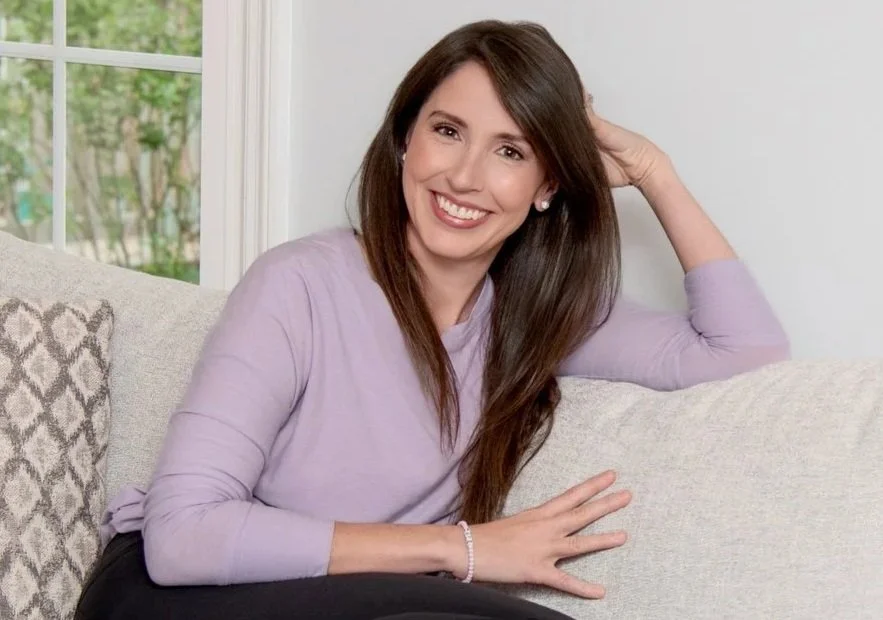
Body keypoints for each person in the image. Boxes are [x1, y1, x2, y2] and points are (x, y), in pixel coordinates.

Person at [75, 19, 789, 620]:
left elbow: (743, 348)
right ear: (404, 141)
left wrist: (653, 173)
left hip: (351, 599)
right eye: (448, 131)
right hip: (171, 596)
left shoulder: (536, 318)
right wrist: (463, 549)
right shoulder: (298, 284)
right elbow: (182, 537)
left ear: (546, 186)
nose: (465, 176)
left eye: (510, 151)